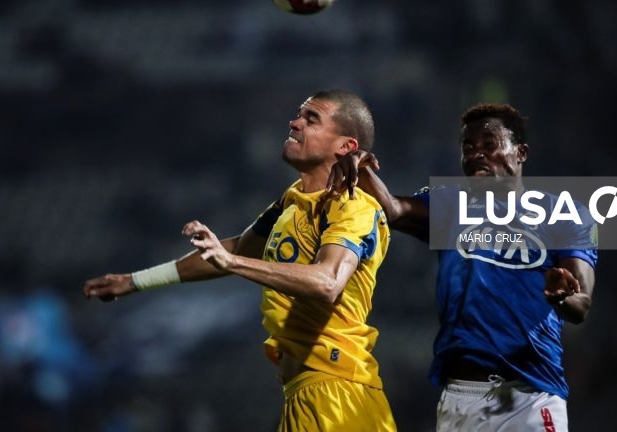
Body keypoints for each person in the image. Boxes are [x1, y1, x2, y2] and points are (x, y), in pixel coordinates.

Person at [83, 90, 397, 432]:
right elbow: (233, 250)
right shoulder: (290, 204)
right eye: (298, 115)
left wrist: (231, 263)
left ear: (346, 147)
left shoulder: (354, 206)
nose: (294, 123)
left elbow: (327, 281)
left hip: (338, 395)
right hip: (307, 392)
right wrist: (134, 281)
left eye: (312, 119)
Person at [326, 103, 596, 432]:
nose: (476, 155)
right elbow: (394, 210)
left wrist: (560, 297)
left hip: (530, 393)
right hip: (459, 397)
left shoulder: (565, 214)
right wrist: (362, 165)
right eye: (468, 148)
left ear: (521, 152)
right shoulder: (451, 205)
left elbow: (581, 304)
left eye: (489, 145)